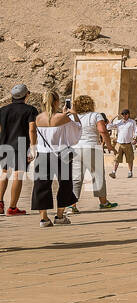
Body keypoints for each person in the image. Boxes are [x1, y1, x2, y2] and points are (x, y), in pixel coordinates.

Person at [32, 97, 81, 226]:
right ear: (56, 102)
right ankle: (60, 216)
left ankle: (44, 219)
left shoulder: (38, 118)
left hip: (42, 155)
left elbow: (34, 133)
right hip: (61, 155)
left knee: (41, 186)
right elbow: (76, 133)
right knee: (65, 184)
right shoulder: (62, 117)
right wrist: (74, 115)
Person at [68, 95, 116, 213]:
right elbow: (102, 130)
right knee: (97, 176)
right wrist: (109, 145)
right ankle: (103, 202)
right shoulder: (96, 115)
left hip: (76, 149)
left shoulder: (72, 117)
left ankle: (72, 205)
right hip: (92, 147)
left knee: (76, 178)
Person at [0, 83, 38, 216]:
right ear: (26, 95)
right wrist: (33, 147)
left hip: (4, 144)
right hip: (21, 144)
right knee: (18, 175)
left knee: (4, 173)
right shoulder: (30, 110)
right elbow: (32, 129)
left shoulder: (3, 110)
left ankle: (0, 203)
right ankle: (12, 207)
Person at [108, 108, 137, 179]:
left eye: (125, 114)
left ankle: (130, 172)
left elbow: (136, 131)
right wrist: (113, 118)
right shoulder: (119, 122)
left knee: (130, 159)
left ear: (128, 114)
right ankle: (113, 172)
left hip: (128, 143)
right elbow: (109, 127)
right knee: (116, 159)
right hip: (119, 143)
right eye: (122, 114)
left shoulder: (132, 122)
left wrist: (135, 139)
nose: (124, 115)